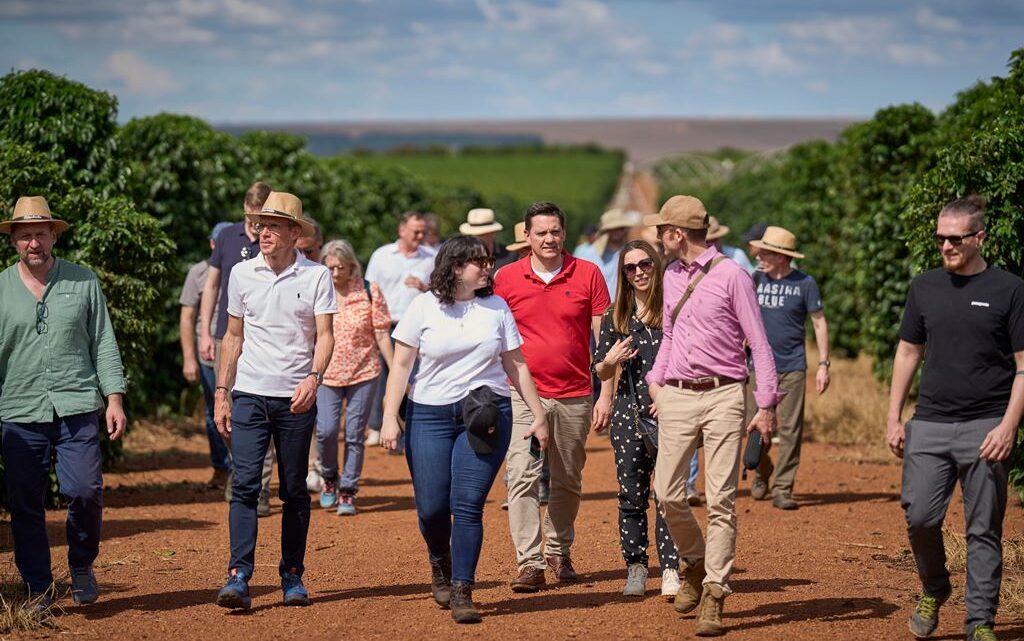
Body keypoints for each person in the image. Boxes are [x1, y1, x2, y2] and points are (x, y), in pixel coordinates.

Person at [380, 235, 549, 624]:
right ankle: (440, 561)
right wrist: (391, 415)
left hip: (485, 414)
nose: (487, 267)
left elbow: (516, 364)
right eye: (479, 262)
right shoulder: (424, 306)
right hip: (429, 414)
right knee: (432, 507)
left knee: (468, 504)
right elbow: (402, 366)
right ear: (456, 267)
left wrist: (538, 415)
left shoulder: (497, 307)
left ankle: (462, 589)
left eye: (488, 261)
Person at [886, 196, 1023, 641]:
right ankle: (935, 587)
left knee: (983, 529)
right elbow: (908, 351)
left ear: (979, 237)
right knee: (919, 516)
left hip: (987, 425)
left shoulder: (1009, 289)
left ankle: (980, 621)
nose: (945, 245)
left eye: (955, 238)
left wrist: (1008, 426)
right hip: (929, 423)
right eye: (940, 237)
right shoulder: (923, 287)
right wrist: (893, 416)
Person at [645, 195, 779, 637]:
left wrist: (766, 404)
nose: (658, 237)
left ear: (677, 234)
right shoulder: (670, 276)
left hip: (725, 396)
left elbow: (758, 343)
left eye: (662, 230)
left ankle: (715, 593)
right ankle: (696, 562)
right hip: (677, 395)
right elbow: (669, 334)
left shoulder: (733, 277)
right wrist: (657, 382)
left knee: (721, 500)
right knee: (665, 492)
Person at [0, 196, 127, 610]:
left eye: (40, 233)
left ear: (54, 234)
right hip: (18, 410)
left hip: (77, 404)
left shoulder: (83, 281)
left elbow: (104, 344)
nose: (33, 242)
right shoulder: (0, 288)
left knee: (84, 490)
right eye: (25, 235)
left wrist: (114, 398)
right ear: (14, 241)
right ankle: (38, 586)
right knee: (25, 502)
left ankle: (82, 564)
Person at [214, 192, 336, 610]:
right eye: (260, 225)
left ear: (294, 233)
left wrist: (314, 379)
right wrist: (221, 393)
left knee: (295, 489)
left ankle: (292, 575)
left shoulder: (317, 276)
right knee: (245, 484)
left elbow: (326, 336)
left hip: (295, 399)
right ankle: (238, 575)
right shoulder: (241, 274)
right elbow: (232, 336)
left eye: (273, 226)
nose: (263, 232)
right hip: (249, 392)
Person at [494, 201, 612, 592]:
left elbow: (604, 339)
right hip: (524, 397)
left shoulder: (589, 274)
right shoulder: (506, 278)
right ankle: (529, 562)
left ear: (564, 233)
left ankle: (558, 550)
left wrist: (605, 392)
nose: (549, 238)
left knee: (568, 479)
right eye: (541, 232)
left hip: (576, 394)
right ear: (526, 236)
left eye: (555, 231)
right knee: (522, 478)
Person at [592, 240, 681, 599]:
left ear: (656, 266)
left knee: (669, 494)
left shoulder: (674, 310)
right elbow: (599, 368)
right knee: (631, 494)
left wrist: (671, 395)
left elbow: (690, 357)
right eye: (631, 268)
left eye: (645, 264)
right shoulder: (615, 316)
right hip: (628, 415)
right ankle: (636, 567)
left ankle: (671, 568)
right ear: (624, 275)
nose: (639, 272)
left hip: (670, 411)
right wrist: (610, 361)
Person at [199, 181, 277, 515]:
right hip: (226, 333)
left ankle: (260, 485)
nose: (257, 226)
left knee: (262, 407)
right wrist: (204, 331)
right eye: (251, 217)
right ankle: (241, 469)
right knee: (226, 410)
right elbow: (212, 284)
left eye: (261, 218)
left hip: (263, 337)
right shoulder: (229, 236)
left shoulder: (275, 238)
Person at [746, 226, 830, 510]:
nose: (759, 256)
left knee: (791, 429)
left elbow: (819, 322)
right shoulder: (755, 279)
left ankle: (783, 487)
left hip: (792, 366)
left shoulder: (805, 283)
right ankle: (762, 470)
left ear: (782, 257)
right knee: (755, 427)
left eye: (766, 253)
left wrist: (823, 364)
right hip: (757, 367)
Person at [316, 239, 394, 516]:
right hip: (326, 373)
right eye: (331, 268)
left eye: (341, 268)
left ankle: (348, 490)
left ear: (352, 266)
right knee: (325, 431)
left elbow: (382, 333)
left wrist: (395, 368)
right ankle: (328, 477)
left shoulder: (369, 291)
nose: (336, 273)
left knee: (353, 434)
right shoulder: (317, 289)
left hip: (364, 371)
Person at [364, 211, 436, 448]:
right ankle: (376, 426)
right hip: (385, 325)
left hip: (416, 328)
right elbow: (369, 290)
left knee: (412, 378)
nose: (420, 235)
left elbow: (440, 293)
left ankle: (407, 429)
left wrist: (424, 286)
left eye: (423, 231)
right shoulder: (381, 255)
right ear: (401, 230)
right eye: (416, 231)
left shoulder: (431, 257)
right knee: (380, 377)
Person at [179, 221, 233, 489]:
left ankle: (244, 469)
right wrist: (189, 357)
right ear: (212, 244)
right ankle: (222, 468)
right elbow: (187, 317)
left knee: (241, 410)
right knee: (215, 410)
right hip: (208, 351)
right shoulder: (198, 273)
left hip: (238, 350)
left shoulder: (241, 267)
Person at [296, 215, 326, 493]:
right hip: (296, 358)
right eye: (300, 249)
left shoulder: (327, 273)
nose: (305, 255)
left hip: (326, 358)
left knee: (321, 419)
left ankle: (317, 468)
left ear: (320, 244)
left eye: (310, 250)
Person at [574, 209, 638, 298]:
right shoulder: (589, 254)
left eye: (622, 228)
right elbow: (580, 284)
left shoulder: (630, 252)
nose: (619, 232)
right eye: (615, 228)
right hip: (600, 308)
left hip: (626, 306)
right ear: (607, 231)